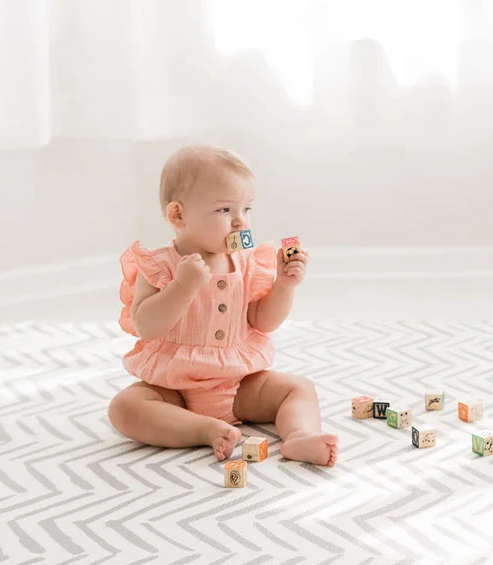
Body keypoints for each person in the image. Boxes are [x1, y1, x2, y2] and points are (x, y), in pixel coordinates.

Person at [108, 144, 338, 466]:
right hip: (175, 391)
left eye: (247, 209)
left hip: (240, 384)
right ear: (179, 214)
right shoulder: (160, 265)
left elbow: (263, 321)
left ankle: (299, 437)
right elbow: (146, 325)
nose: (240, 222)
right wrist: (182, 286)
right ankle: (203, 429)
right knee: (124, 407)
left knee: (299, 388)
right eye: (225, 211)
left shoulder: (245, 261)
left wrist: (284, 287)